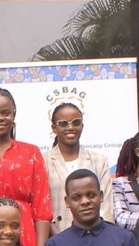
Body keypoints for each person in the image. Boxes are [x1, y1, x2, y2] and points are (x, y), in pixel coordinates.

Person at [0, 88, 53, 246]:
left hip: (24, 234)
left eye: (6, 113)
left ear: (14, 115)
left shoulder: (31, 153)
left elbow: (42, 209)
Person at [43, 100, 113, 235]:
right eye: (63, 123)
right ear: (54, 128)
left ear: (82, 125)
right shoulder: (42, 161)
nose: (70, 127)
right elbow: (43, 208)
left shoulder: (99, 161)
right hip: (58, 236)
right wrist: (60, 240)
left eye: (76, 122)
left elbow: (106, 208)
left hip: (98, 236)